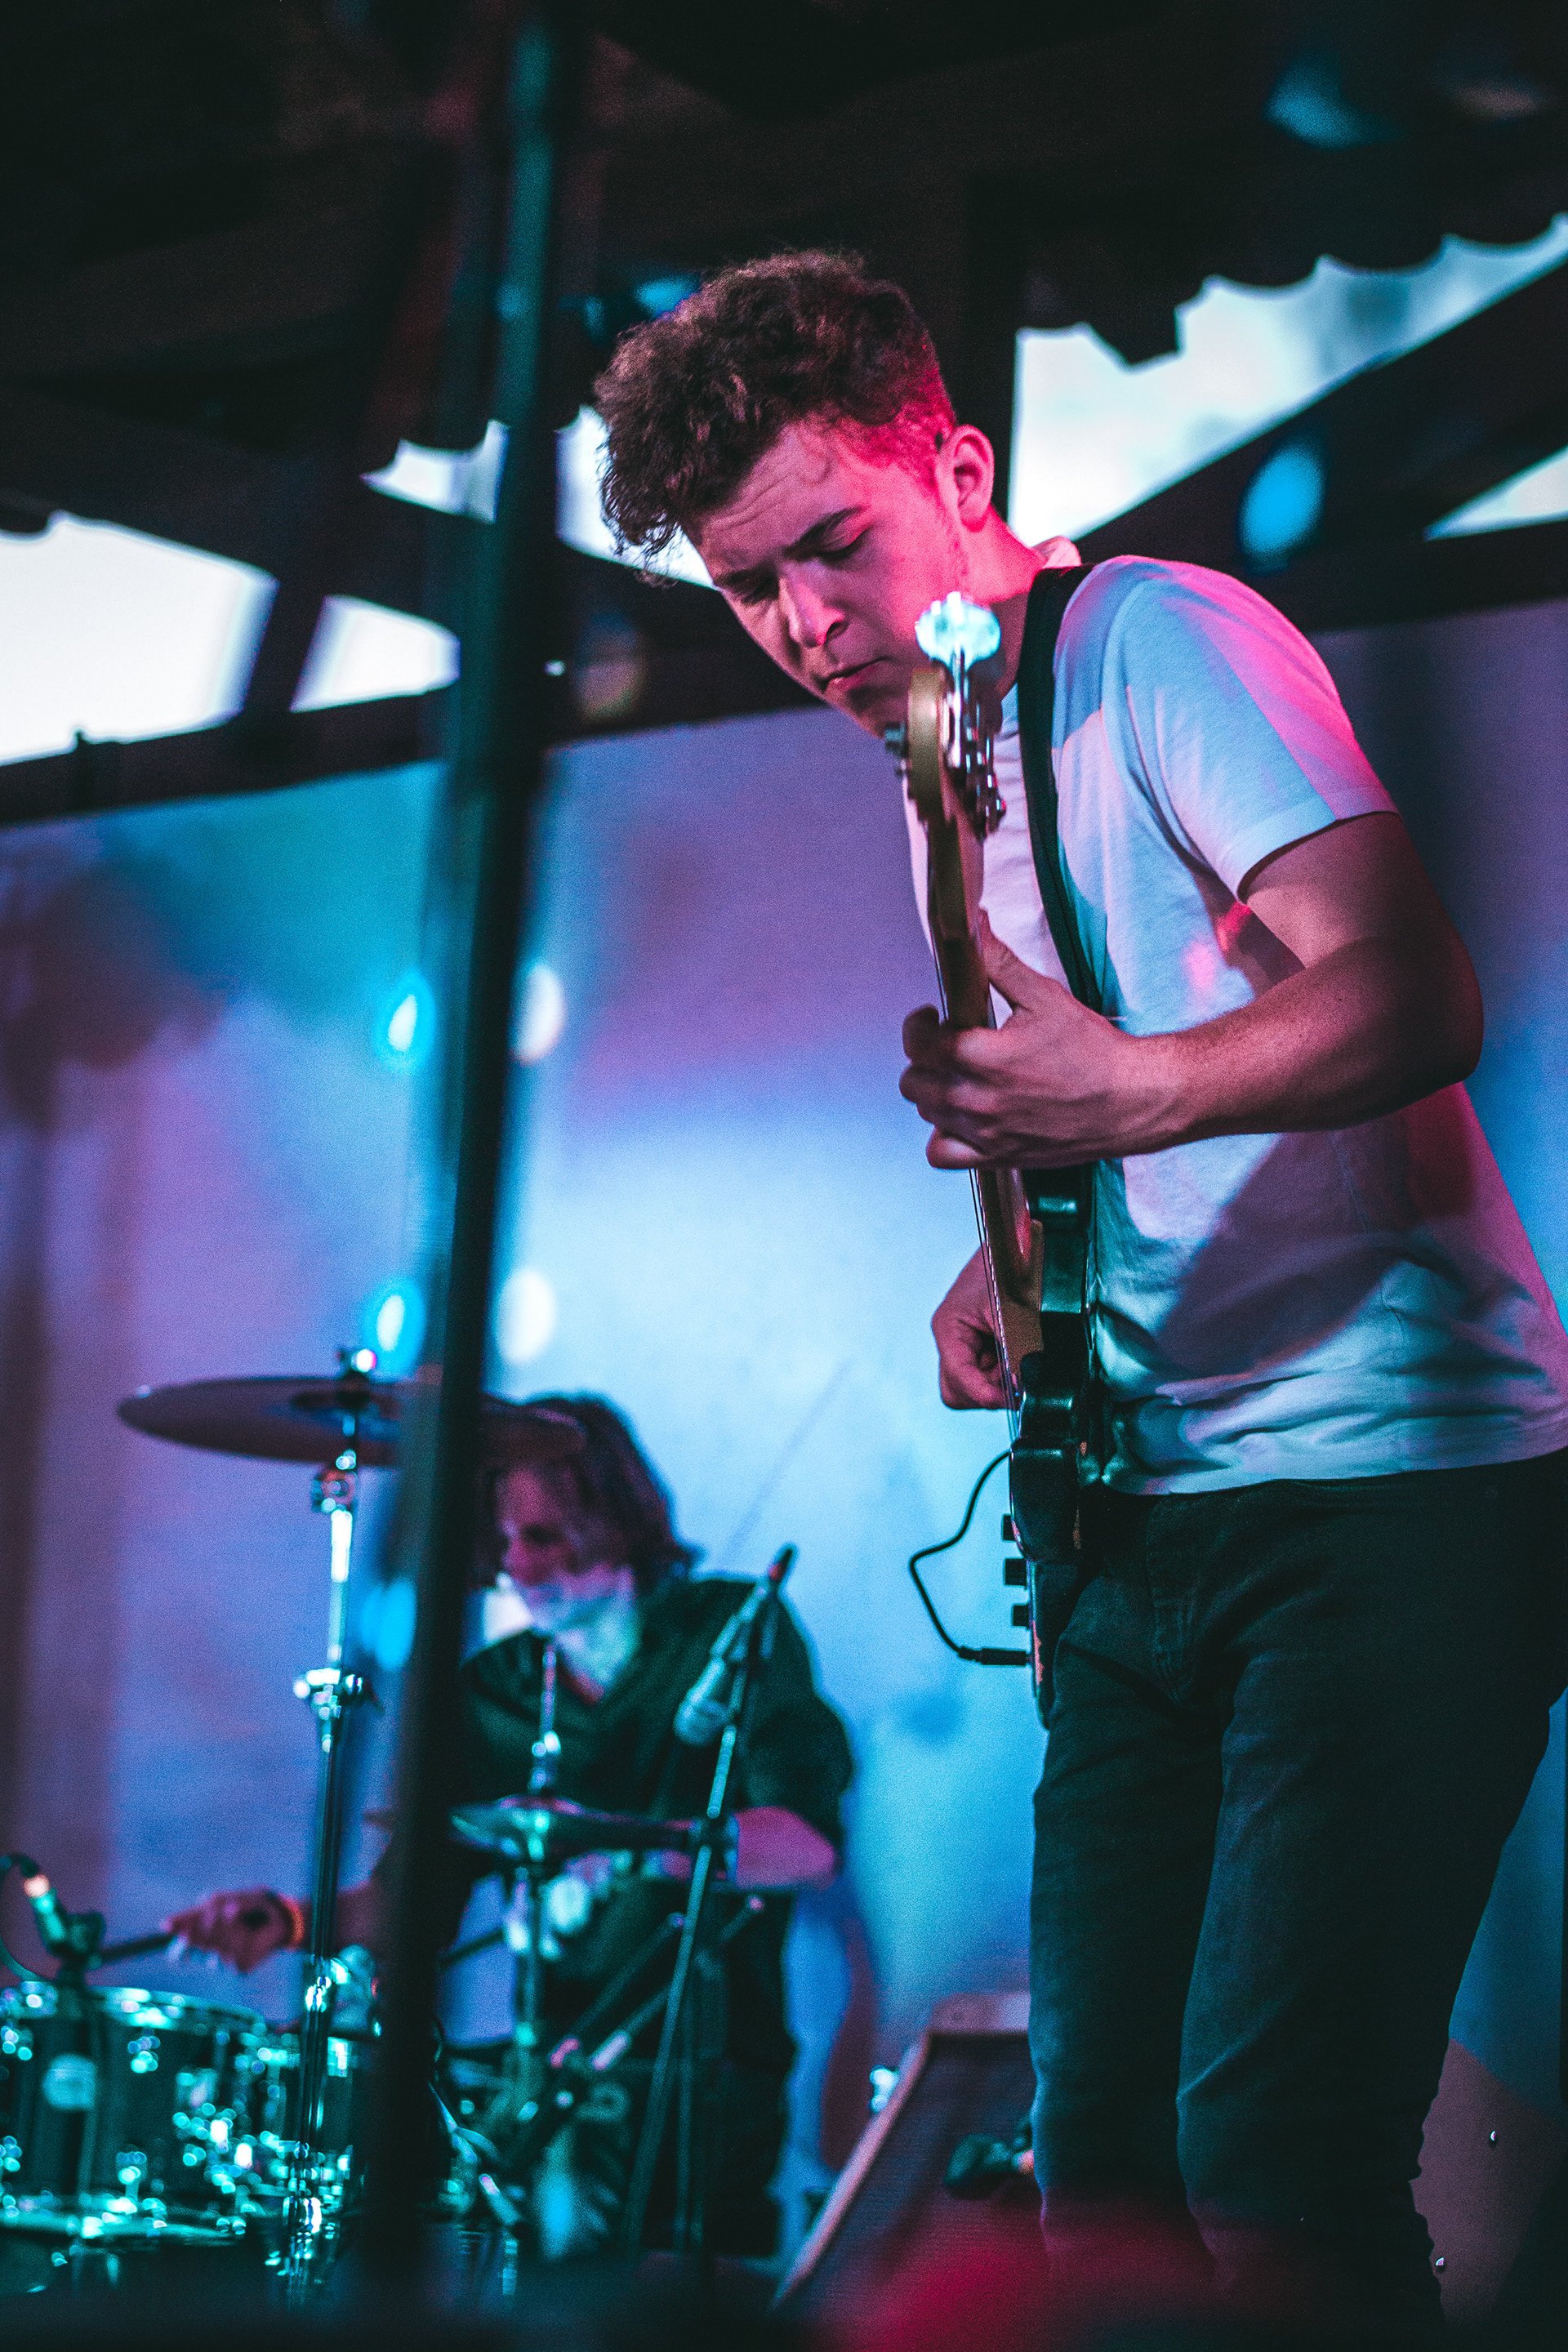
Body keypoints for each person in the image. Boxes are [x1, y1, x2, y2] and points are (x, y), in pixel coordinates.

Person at [589, 252, 1568, 2330]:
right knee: (1096, 2182)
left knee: (1276, 2174)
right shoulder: (943, 751)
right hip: (1142, 1522)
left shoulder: (1155, 641)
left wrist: (1128, 1093)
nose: (801, 623)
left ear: (958, 471)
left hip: (1385, 1499)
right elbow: (1116, 1081)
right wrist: (1010, 1261)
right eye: (747, 589)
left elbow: (1415, 989)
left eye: (830, 546)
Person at [167, 1393, 852, 2261]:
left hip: (704, 2083)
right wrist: (294, 1920)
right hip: (547, 2082)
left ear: (618, 1517)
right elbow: (418, 1901)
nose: (521, 1566)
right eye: (506, 1541)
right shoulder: (492, 1691)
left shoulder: (727, 1629)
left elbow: (808, 1849)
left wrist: (622, 1854)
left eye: (547, 1537)